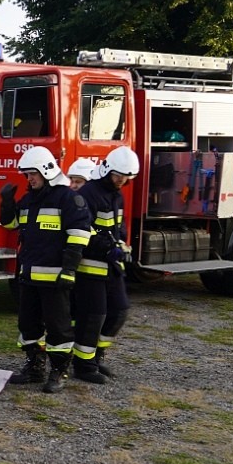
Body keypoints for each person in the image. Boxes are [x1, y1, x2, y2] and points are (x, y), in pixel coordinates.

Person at [0, 145, 92, 393]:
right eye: (27, 175)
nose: (29, 179)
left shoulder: (69, 198)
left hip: (55, 278)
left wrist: (69, 270)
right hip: (28, 277)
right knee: (28, 325)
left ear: (47, 171)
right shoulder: (29, 199)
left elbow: (79, 235)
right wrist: (7, 203)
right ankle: (35, 367)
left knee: (58, 326)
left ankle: (59, 370)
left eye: (33, 174)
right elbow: (11, 225)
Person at [70, 146, 139, 382]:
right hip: (90, 266)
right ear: (108, 170)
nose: (122, 181)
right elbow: (84, 229)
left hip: (111, 266)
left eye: (126, 178)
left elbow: (118, 226)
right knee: (93, 316)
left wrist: (121, 245)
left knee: (119, 311)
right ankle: (83, 366)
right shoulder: (90, 192)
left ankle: (96, 357)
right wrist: (107, 247)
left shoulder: (116, 194)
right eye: (119, 176)